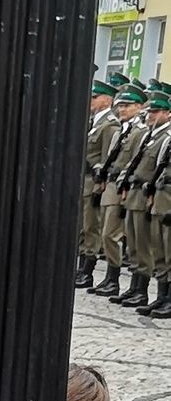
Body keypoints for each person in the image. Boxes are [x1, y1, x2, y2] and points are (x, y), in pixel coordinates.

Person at [91, 87, 148, 297]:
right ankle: (111, 277)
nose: (122, 109)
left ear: (138, 107)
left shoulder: (139, 133)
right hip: (111, 185)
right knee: (106, 234)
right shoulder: (121, 131)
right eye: (120, 105)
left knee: (112, 234)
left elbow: (135, 162)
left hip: (123, 188)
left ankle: (118, 280)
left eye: (127, 106)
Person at [118, 95, 171, 311]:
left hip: (165, 200)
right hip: (156, 198)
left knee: (167, 251)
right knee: (156, 250)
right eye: (150, 112)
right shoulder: (155, 138)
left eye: (155, 112)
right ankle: (159, 296)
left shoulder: (164, 137)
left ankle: (166, 299)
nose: (150, 116)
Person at [77, 80, 122, 289]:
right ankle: (80, 267)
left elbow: (105, 160)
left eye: (95, 98)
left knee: (91, 228)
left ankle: (87, 271)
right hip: (82, 182)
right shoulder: (93, 122)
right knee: (82, 228)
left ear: (106, 100)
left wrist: (98, 187)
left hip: (92, 183)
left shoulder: (109, 125)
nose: (91, 101)